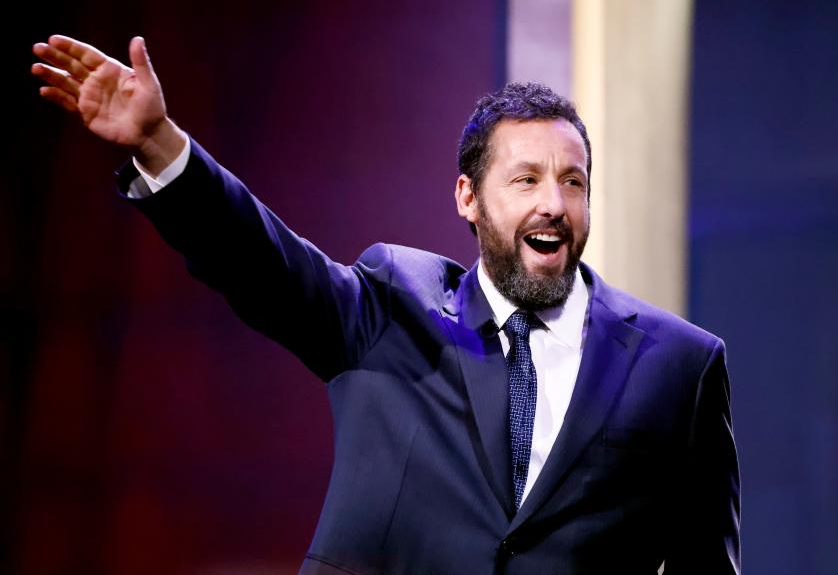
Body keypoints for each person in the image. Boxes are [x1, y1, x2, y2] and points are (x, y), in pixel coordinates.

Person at [32, 35, 740, 574]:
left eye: (573, 182)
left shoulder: (679, 365)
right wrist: (160, 143)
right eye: (525, 180)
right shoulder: (392, 305)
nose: (553, 203)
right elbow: (260, 260)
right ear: (468, 197)